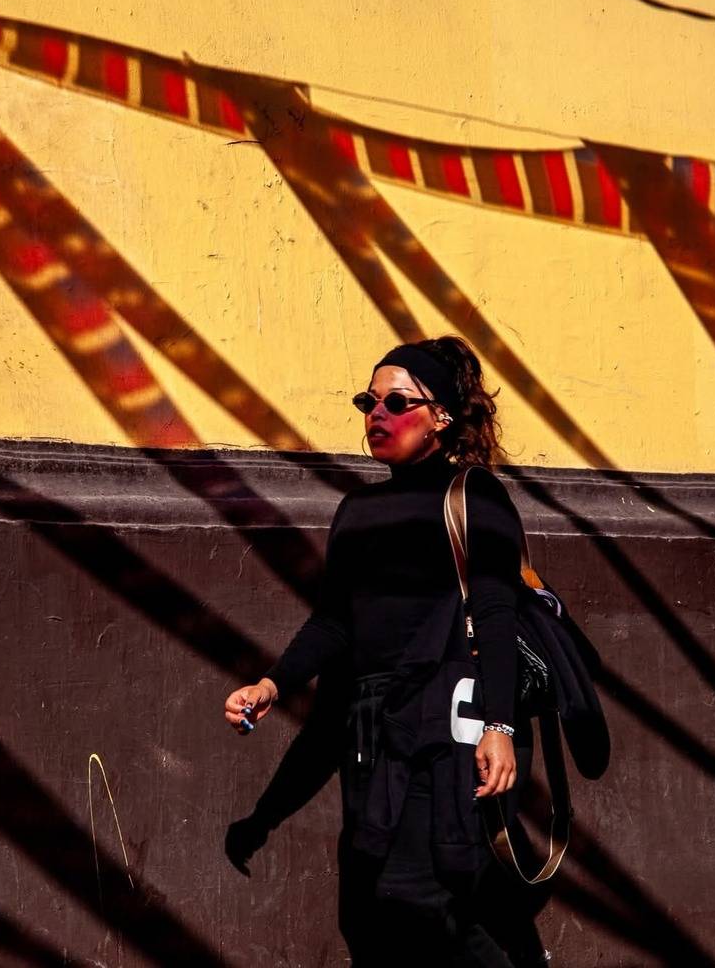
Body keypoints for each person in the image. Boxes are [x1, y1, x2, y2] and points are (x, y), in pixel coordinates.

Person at [223, 336, 544, 967]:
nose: (377, 414)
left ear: (443, 416)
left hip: (451, 727)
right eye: (369, 401)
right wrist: (272, 685)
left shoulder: (473, 497)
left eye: (397, 401)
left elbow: (498, 614)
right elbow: (334, 624)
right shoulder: (358, 510)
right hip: (374, 732)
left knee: (422, 890)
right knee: (373, 903)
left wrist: (500, 726)